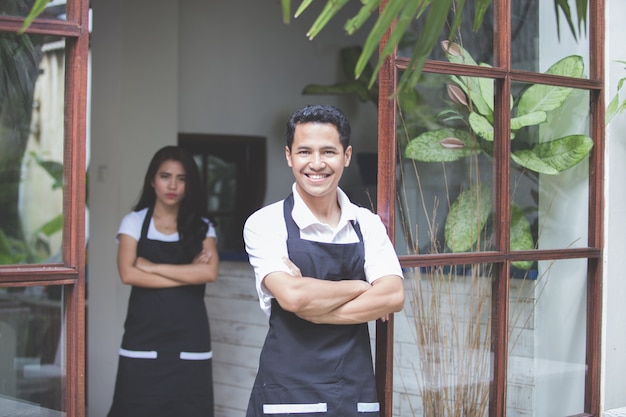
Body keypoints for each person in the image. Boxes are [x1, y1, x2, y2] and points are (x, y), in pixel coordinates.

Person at [243, 104, 405, 416]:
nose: (316, 163)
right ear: (289, 155)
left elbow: (393, 295)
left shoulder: (367, 223)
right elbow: (293, 297)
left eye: (328, 152)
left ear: (346, 156)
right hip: (288, 390)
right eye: (305, 152)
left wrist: (315, 310)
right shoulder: (265, 223)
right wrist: (360, 286)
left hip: (355, 388)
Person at [108, 145, 219, 417]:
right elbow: (128, 274)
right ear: (152, 180)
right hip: (142, 334)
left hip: (190, 336)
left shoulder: (202, 226)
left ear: (189, 185)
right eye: (165, 176)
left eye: (181, 179)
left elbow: (208, 273)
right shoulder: (133, 223)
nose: (173, 185)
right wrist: (186, 274)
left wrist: (153, 267)